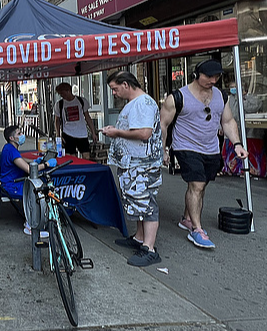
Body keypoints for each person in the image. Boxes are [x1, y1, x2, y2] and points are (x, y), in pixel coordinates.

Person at [161, 59, 248, 249]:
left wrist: (237, 144)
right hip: (186, 146)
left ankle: (186, 218)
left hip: (210, 148)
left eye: (217, 76)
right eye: (209, 76)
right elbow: (164, 125)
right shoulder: (177, 97)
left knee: (201, 185)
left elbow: (227, 121)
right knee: (197, 185)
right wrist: (163, 149)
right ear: (196, 75)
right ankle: (197, 230)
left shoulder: (220, 96)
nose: (213, 80)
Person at [101, 71, 163, 267]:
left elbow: (144, 133)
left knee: (146, 203)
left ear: (126, 84)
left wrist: (116, 132)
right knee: (137, 201)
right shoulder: (135, 103)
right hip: (133, 164)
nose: (114, 93)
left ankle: (149, 248)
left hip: (142, 164)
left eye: (115, 89)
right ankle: (139, 238)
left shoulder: (142, 103)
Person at [0, 125, 56, 236]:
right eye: (19, 134)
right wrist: (46, 164)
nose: (22, 135)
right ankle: (31, 226)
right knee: (36, 192)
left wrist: (35, 160)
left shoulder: (9, 148)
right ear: (12, 138)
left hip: (9, 182)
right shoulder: (11, 150)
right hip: (11, 185)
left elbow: (20, 160)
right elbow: (30, 170)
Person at [221, 80, 264, 176]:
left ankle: (252, 170)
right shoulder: (228, 99)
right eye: (231, 87)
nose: (233, 89)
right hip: (233, 131)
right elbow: (224, 115)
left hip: (250, 130)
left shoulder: (251, 98)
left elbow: (253, 107)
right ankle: (232, 170)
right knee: (231, 151)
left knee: (250, 151)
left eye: (235, 87)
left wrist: (242, 97)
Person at [54, 82, 98, 156]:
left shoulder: (81, 101)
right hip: (67, 134)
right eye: (60, 94)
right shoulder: (59, 104)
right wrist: (58, 135)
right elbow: (57, 120)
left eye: (62, 93)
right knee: (71, 158)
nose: (61, 96)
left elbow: (87, 117)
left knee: (86, 156)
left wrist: (93, 132)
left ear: (68, 91)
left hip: (82, 133)